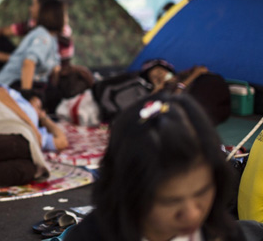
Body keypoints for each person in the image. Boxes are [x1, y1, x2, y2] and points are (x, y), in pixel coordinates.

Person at [64, 93, 247, 241]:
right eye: (170, 201)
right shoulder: (90, 236)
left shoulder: (223, 233)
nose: (192, 215)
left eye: (202, 192)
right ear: (128, 191)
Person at [0, 84, 68, 188]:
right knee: (20, 142)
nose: (39, 111)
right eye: (38, 105)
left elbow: (61, 142)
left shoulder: (38, 132)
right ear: (32, 98)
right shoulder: (16, 97)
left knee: (29, 170)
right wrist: (31, 125)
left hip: (16, 138)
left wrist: (44, 119)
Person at [0, 0, 64, 96]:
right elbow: (28, 63)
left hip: (20, 86)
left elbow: (55, 67)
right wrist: (26, 96)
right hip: (7, 88)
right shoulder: (43, 37)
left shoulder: (53, 38)